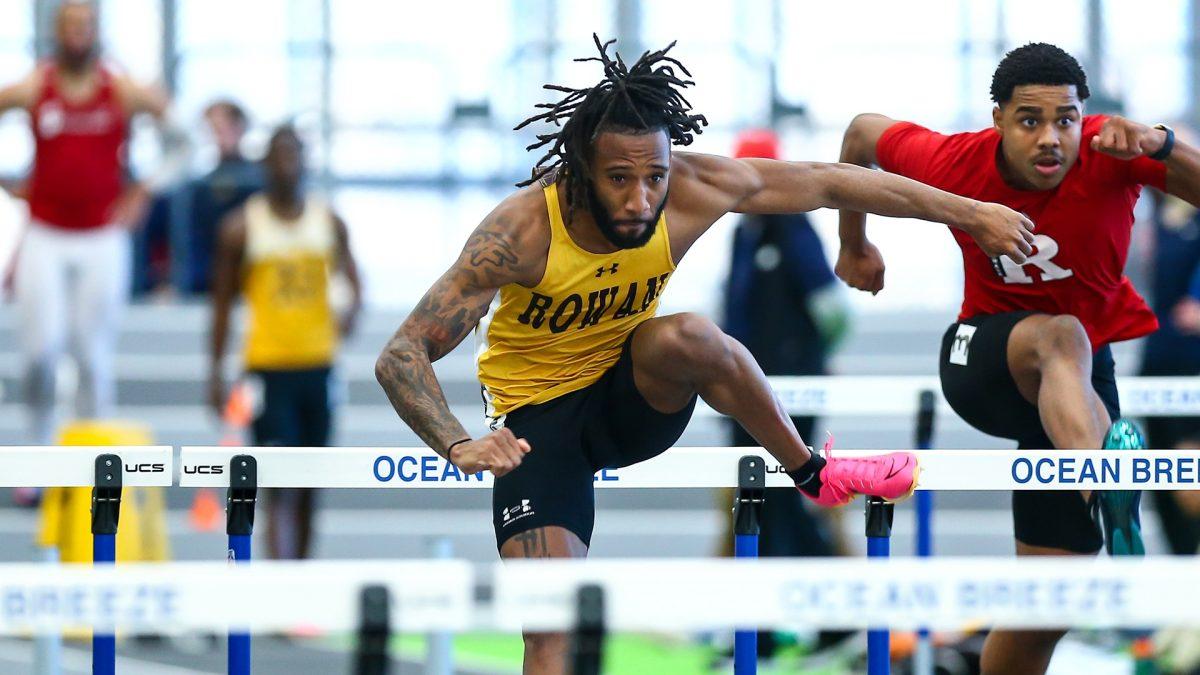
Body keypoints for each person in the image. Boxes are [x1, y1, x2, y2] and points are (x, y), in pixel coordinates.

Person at [375, 36, 1035, 674]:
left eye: (653, 177)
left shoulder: (692, 190)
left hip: (632, 398)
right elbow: (402, 352)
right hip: (536, 426)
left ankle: (812, 472)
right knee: (548, 623)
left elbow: (831, 182)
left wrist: (970, 213)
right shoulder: (519, 232)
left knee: (689, 333)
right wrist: (458, 443)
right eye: (618, 179)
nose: (639, 200)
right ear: (580, 168)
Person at [837, 42, 1200, 674]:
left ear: (1082, 116)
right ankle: (1105, 488)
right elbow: (862, 133)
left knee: (1045, 610)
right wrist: (854, 243)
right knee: (1061, 333)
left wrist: (1161, 144)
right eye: (1029, 120)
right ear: (998, 119)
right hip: (985, 360)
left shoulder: (1110, 153)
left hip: (1080, 389)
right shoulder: (956, 159)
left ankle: (1102, 500)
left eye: (1065, 119)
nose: (1051, 138)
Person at [0, 0, 188, 447]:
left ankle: (91, 464)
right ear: (57, 32)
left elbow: (183, 142)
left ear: (96, 31)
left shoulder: (121, 89)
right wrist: (7, 182)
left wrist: (144, 189)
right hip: (45, 234)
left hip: (103, 237)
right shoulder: (34, 86)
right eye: (70, 25)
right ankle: (40, 452)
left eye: (85, 25)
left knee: (92, 357)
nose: (77, 34)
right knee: (41, 354)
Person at [721, 129, 850, 655]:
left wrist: (810, 367)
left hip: (786, 396)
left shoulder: (793, 229)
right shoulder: (744, 233)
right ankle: (774, 628)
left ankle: (817, 620)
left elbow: (833, 312)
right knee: (763, 505)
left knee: (786, 500)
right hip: (741, 394)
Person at [209, 125, 362, 560]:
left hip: (319, 365)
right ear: (264, 164)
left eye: (293, 155)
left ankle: (303, 582)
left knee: (312, 482)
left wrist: (349, 312)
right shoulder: (240, 228)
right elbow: (221, 307)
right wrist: (216, 373)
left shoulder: (328, 222)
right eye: (277, 155)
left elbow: (354, 281)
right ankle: (280, 585)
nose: (286, 164)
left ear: (305, 162)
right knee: (278, 482)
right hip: (267, 368)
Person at [1140, 184, 1200, 556]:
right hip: (1157, 357)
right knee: (1163, 474)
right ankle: (1182, 576)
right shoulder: (1159, 217)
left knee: (1188, 469)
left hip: (1191, 360)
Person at [187, 100, 263, 294]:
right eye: (214, 130)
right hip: (209, 279)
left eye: (225, 128)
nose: (218, 136)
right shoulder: (199, 187)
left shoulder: (260, 181)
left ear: (241, 128)